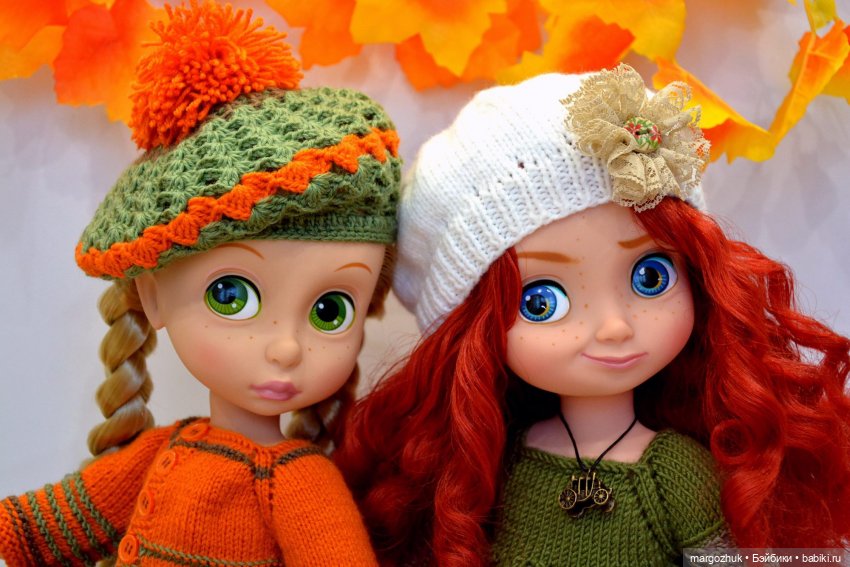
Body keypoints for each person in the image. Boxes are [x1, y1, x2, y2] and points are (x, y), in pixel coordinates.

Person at [335, 65, 850, 566]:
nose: (614, 326)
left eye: (651, 276)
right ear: (473, 336)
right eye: (542, 302)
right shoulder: (492, 470)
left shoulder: (673, 474)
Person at [0, 2, 400, 565]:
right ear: (152, 297)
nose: (286, 348)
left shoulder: (299, 485)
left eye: (330, 311)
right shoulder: (164, 449)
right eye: (231, 295)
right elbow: (51, 522)